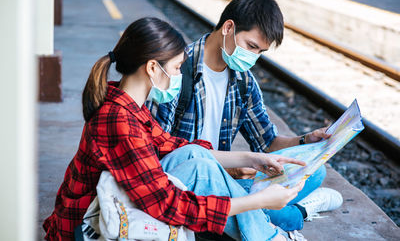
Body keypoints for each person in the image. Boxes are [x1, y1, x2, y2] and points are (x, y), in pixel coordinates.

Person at [43, 17, 308, 241]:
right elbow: (166, 204)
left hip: (117, 205)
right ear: (152, 68)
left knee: (195, 158)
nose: (180, 76)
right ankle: (271, 229)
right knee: (203, 172)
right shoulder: (118, 121)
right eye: (177, 68)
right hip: (89, 229)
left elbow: (176, 146)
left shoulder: (129, 106)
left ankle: (269, 221)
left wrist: (254, 159)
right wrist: (257, 201)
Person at [147, 0, 343, 232]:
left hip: (230, 178)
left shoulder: (244, 81)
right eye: (250, 46)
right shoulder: (178, 71)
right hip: (190, 184)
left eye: (260, 52)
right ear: (228, 28)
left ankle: (264, 208)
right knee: (281, 218)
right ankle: (297, 212)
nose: (252, 58)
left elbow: (267, 143)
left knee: (314, 170)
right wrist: (230, 169)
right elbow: (157, 154)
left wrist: (306, 140)